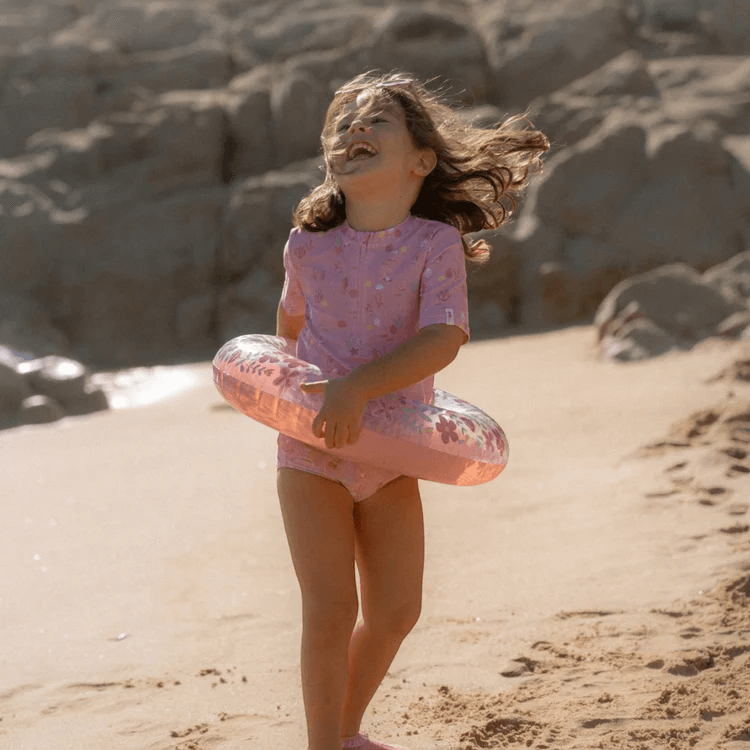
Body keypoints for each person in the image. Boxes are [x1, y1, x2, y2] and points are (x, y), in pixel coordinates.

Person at [275, 71, 549, 750]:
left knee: (397, 609)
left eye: (377, 122)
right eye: (344, 124)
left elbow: (444, 337)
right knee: (332, 609)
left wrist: (360, 386)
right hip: (314, 449)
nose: (355, 130)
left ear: (420, 161)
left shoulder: (433, 245)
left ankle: (341, 731)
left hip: (393, 451)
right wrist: (292, 399)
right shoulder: (306, 244)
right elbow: (287, 330)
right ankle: (323, 745)